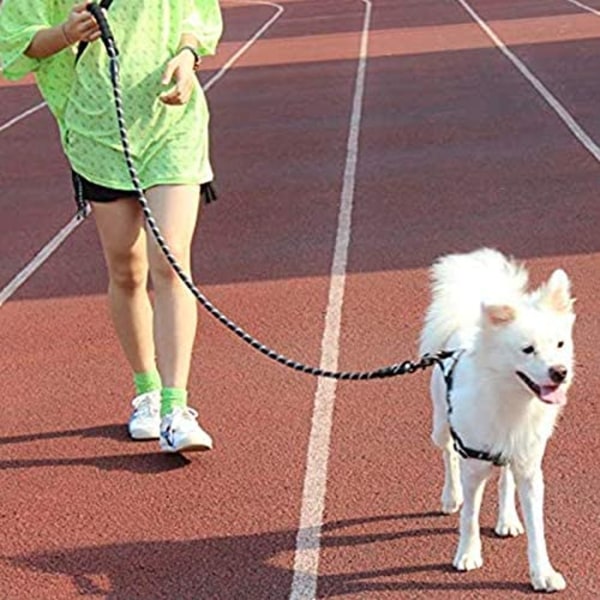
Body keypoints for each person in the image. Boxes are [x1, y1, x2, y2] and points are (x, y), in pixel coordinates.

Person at [0, 0, 223, 453]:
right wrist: (65, 32)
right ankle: (148, 390)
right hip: (97, 130)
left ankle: (176, 408)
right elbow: (17, 40)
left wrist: (187, 56)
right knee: (127, 268)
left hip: (171, 122)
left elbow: (196, 14)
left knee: (172, 261)